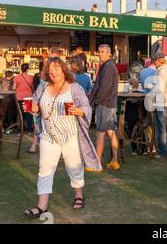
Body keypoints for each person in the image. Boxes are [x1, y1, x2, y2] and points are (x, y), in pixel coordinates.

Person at [23, 57, 101, 218]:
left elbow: (86, 107)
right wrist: (32, 108)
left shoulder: (74, 88)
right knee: (44, 170)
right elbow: (37, 106)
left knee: (74, 168)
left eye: (56, 69)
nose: (53, 72)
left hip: (70, 136)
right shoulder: (43, 86)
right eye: (50, 70)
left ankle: (79, 195)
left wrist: (78, 111)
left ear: (64, 70)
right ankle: (41, 206)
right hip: (49, 136)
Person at [89, 44, 120, 170]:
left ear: (109, 53)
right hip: (109, 104)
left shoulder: (108, 66)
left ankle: (97, 164)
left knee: (100, 134)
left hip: (105, 105)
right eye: (99, 52)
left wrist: (95, 102)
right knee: (111, 132)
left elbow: (104, 89)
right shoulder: (108, 66)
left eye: (102, 52)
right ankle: (114, 161)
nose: (100, 54)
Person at [13, 63, 35, 133]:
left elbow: (13, 88)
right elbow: (33, 88)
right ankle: (29, 129)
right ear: (28, 69)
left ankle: (20, 129)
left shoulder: (16, 77)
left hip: (19, 97)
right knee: (28, 113)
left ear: (21, 69)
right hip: (28, 97)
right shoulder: (31, 77)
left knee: (20, 113)